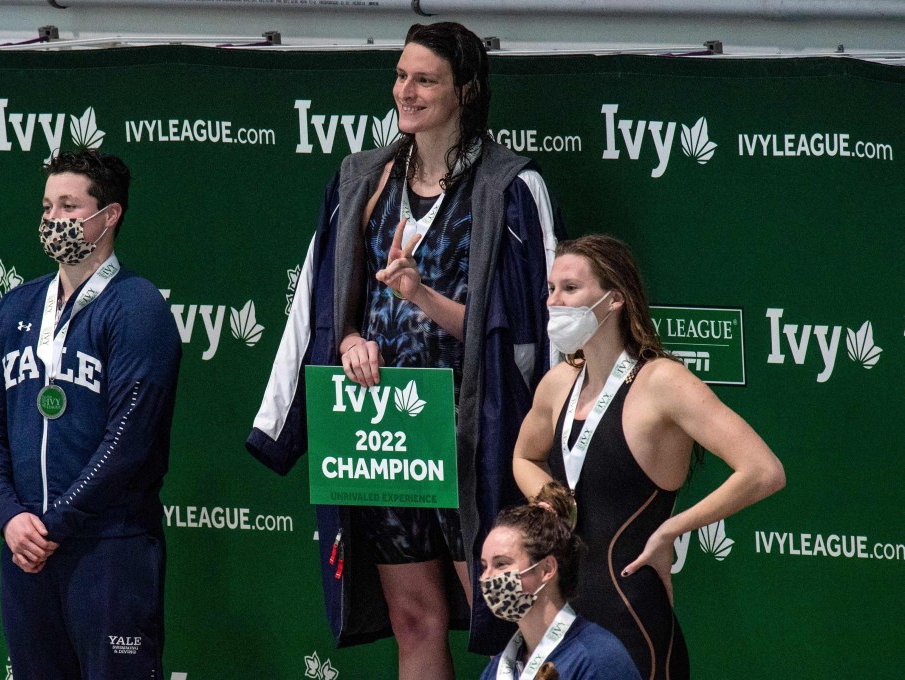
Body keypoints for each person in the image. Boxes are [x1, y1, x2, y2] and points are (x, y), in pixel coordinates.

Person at [247, 21, 562, 676]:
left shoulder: (509, 188)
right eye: (400, 76)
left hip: (475, 438)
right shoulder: (363, 180)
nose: (406, 91)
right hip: (385, 437)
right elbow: (324, 306)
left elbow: (535, 323)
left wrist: (421, 296)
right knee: (412, 619)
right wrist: (354, 342)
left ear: (466, 89)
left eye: (425, 79)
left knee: (505, 617)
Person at [513, 234, 785, 679]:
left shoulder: (663, 382)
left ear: (615, 298)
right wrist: (552, 498)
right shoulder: (558, 382)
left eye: (570, 288)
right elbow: (524, 457)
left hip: (631, 613)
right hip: (562, 611)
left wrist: (672, 530)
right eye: (551, 289)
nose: (553, 301)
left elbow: (764, 470)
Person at [0, 150, 182, 679]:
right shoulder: (14, 308)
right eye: (47, 206)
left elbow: (128, 440)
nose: (53, 220)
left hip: (108, 548)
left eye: (68, 205)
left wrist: (54, 524)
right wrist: (10, 518)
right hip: (24, 551)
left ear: (108, 216)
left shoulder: (137, 308)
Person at [478, 481, 641, 680]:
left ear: (547, 569)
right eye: (485, 566)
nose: (487, 578)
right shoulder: (499, 669)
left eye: (501, 564)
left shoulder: (598, 659)